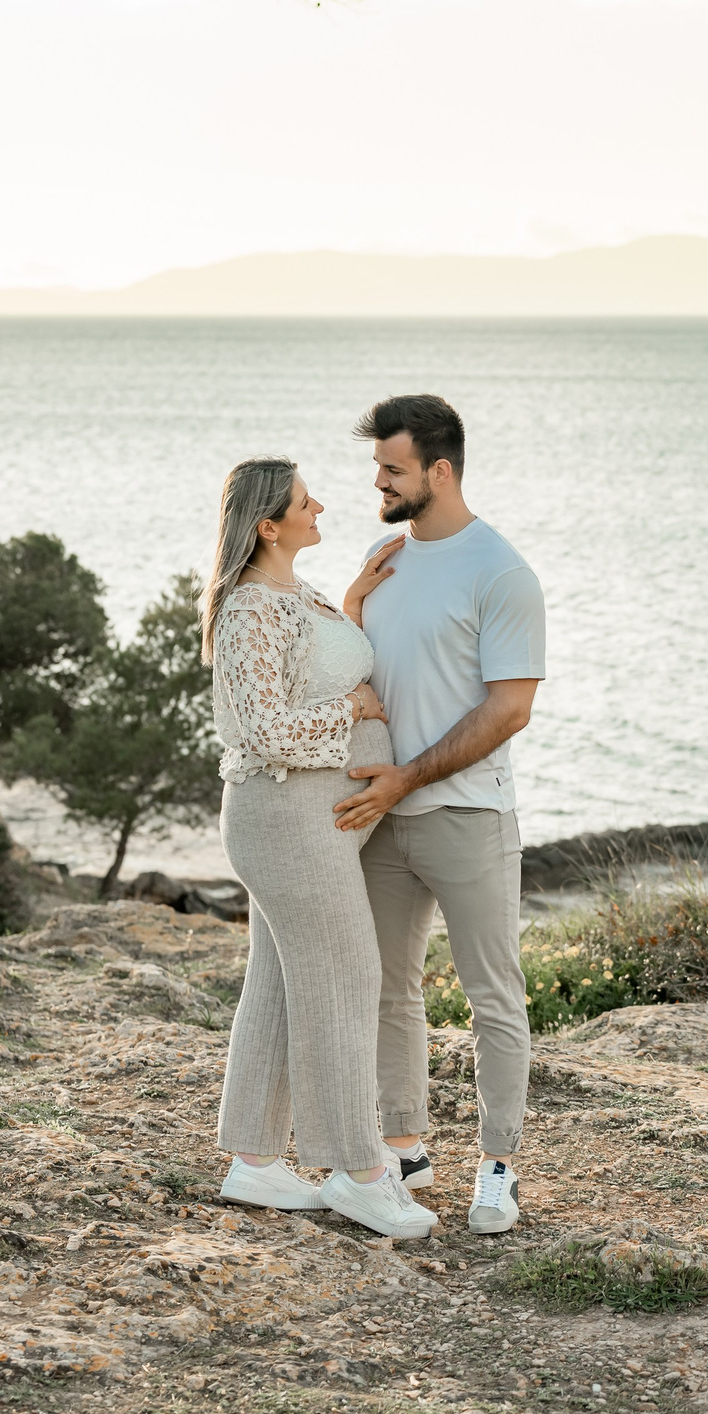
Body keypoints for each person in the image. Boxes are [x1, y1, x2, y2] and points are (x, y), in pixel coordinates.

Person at [205, 456, 436, 1240]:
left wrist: (355, 601)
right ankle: (357, 1169)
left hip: (308, 822)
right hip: (285, 821)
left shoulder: (291, 595)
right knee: (346, 974)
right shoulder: (247, 611)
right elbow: (263, 729)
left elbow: (313, 673)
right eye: (306, 502)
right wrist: (352, 712)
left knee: (276, 984)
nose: (322, 505)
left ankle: (254, 1160)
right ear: (269, 525)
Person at [335, 395, 546, 1235]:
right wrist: (350, 610)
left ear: (440, 471)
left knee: (493, 994)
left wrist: (406, 779)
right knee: (388, 988)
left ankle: (498, 1166)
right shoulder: (381, 556)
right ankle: (405, 1149)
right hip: (381, 818)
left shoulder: (501, 571)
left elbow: (509, 710)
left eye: (391, 468)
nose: (377, 482)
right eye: (377, 468)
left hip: (466, 814)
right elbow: (364, 676)